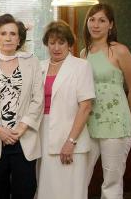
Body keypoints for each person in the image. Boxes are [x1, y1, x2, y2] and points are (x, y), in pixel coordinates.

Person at [0, 13, 44, 199]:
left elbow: (38, 99)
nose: (8, 38)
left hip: (24, 139)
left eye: (13, 34)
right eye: (3, 33)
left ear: (19, 38)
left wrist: (21, 128)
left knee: (26, 191)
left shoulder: (32, 62)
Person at [82, 3, 131, 199]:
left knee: (111, 183)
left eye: (102, 20)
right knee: (80, 177)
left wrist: (128, 118)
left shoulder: (119, 51)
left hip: (116, 124)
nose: (96, 25)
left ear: (110, 25)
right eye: (92, 19)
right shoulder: (83, 53)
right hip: (89, 124)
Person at [37, 20, 95, 199]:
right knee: (46, 188)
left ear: (70, 44)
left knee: (71, 190)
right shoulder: (39, 66)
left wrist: (71, 141)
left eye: (61, 42)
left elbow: (85, 107)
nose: (56, 47)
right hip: (42, 134)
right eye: (52, 42)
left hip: (71, 136)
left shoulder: (81, 66)